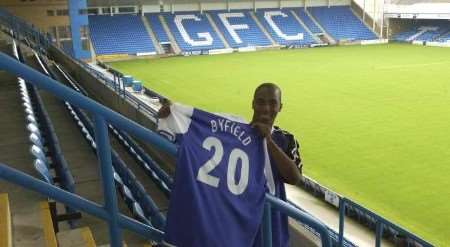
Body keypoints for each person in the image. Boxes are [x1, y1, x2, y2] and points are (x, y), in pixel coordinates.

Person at [157, 82, 302, 247]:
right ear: (253, 103)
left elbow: (295, 178)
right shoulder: (229, 134)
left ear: (280, 107)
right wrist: (174, 112)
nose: (266, 108)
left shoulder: (285, 139)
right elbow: (201, 125)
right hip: (234, 225)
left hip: (272, 229)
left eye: (272, 103)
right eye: (261, 102)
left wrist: (268, 141)